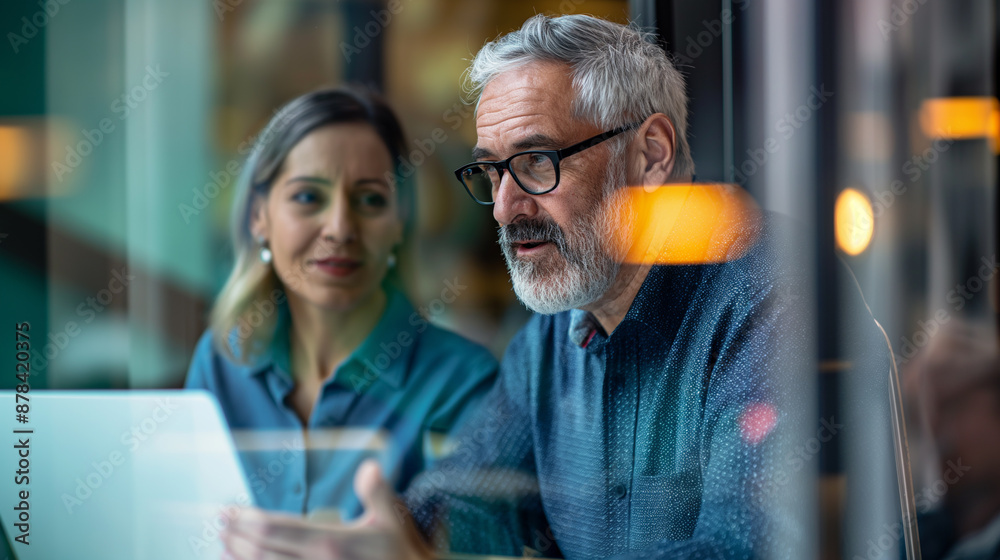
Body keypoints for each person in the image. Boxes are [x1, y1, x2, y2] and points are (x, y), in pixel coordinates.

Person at [220, 15, 812, 559]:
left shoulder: (769, 294)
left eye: (536, 163)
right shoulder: (551, 339)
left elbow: (748, 548)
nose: (504, 209)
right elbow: (469, 500)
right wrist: (386, 538)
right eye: (492, 172)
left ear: (649, 155)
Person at [185, 86, 498, 522]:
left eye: (370, 200)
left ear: (399, 222)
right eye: (308, 197)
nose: (339, 228)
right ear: (259, 216)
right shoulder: (222, 362)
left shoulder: (461, 381)